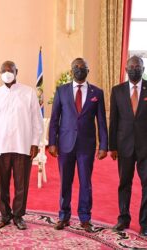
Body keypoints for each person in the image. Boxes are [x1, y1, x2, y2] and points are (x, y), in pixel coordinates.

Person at [48, 58, 108, 233]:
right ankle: (63, 216)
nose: (79, 70)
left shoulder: (97, 92)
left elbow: (102, 121)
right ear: (71, 70)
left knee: (85, 183)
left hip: (86, 146)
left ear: (88, 71)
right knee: (65, 182)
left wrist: (103, 144)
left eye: (83, 68)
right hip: (65, 144)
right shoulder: (62, 91)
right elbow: (54, 119)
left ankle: (85, 218)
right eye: (76, 67)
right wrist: (52, 142)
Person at [0, 60, 43, 230]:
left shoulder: (29, 93)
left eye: (10, 70)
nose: (7, 72)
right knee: (2, 184)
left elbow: (36, 120)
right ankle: (4, 215)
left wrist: (34, 143)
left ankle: (18, 216)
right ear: (0, 72)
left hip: (22, 146)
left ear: (17, 71)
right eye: (4, 70)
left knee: (21, 184)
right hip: (0, 147)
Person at [109, 55, 147, 237]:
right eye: (131, 66)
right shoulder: (117, 91)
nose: (134, 69)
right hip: (124, 146)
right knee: (124, 183)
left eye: (137, 66)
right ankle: (123, 218)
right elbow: (114, 120)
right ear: (125, 69)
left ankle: (145, 224)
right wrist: (112, 146)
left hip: (146, 148)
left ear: (143, 69)